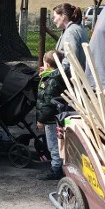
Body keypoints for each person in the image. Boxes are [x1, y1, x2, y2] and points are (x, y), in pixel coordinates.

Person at [36, 50, 68, 180]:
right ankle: (60, 166)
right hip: (58, 117)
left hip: (50, 120)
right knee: (59, 143)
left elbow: (48, 104)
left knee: (53, 145)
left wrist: (41, 120)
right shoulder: (58, 76)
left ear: (48, 64)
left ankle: (56, 169)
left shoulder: (50, 81)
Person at [52, 3, 90, 71]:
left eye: (55, 17)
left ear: (63, 16)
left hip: (73, 78)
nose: (54, 21)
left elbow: (71, 58)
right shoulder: (78, 28)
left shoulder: (70, 32)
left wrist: (54, 72)